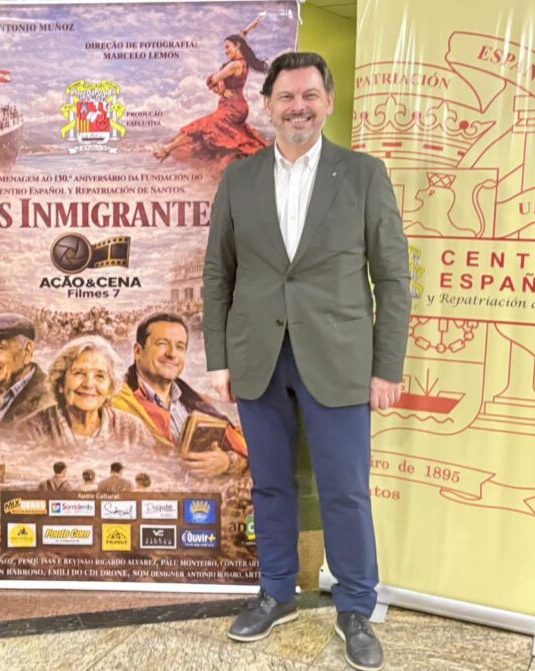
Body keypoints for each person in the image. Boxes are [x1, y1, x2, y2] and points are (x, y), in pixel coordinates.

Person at [202, 52, 410, 671]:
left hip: (340, 358)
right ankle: (275, 593)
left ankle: (356, 607)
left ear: (328, 102)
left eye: (310, 96)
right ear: (268, 105)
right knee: (269, 483)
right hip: (258, 358)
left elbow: (393, 278)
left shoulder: (364, 174)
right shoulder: (238, 179)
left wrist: (387, 367)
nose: (299, 107)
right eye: (287, 97)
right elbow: (218, 275)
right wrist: (219, 358)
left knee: (345, 490)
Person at [112, 312, 248, 478]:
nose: (172, 354)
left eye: (180, 347)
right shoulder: (114, 403)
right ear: (138, 351)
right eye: (162, 344)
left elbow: (247, 452)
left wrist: (228, 462)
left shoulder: (198, 403)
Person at [153, 16, 269, 163]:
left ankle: (167, 149)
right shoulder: (243, 61)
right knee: (208, 131)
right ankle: (168, 149)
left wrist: (221, 90)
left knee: (202, 127)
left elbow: (211, 80)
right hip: (239, 106)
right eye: (224, 48)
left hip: (232, 108)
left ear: (237, 46)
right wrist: (249, 28)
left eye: (227, 47)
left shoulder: (234, 65)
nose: (225, 51)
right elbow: (240, 37)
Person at [20, 336, 156, 453]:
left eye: (100, 376)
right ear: (60, 382)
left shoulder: (133, 431)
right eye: (79, 373)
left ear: (110, 388)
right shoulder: (31, 430)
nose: (89, 384)